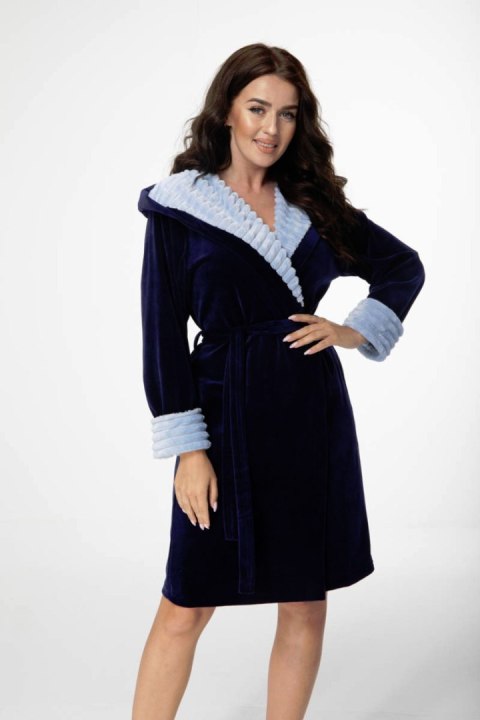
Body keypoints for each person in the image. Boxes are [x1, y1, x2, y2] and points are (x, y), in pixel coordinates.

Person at [131, 43, 426, 720]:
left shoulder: (311, 205)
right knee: (186, 603)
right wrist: (189, 450)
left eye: (287, 114)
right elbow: (160, 336)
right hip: (221, 416)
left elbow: (402, 267)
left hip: (307, 415)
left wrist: (353, 329)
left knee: (304, 601)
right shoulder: (180, 208)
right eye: (258, 109)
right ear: (227, 112)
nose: (271, 128)